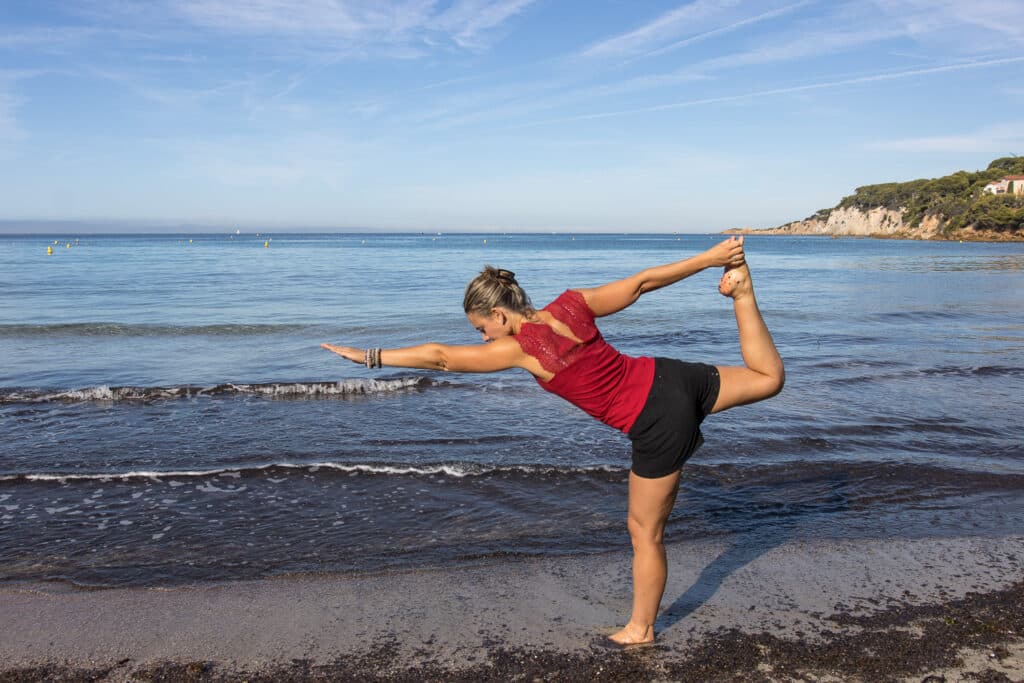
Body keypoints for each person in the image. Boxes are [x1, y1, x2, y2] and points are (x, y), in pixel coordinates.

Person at [321, 236, 784, 648]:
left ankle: (640, 630)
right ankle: (742, 292)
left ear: (499, 314)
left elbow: (442, 359)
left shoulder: (519, 347)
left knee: (645, 532)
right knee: (768, 379)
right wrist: (710, 258)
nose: (482, 338)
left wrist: (370, 357)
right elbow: (642, 283)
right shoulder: (573, 301)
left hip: (656, 422)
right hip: (669, 377)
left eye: (481, 329)